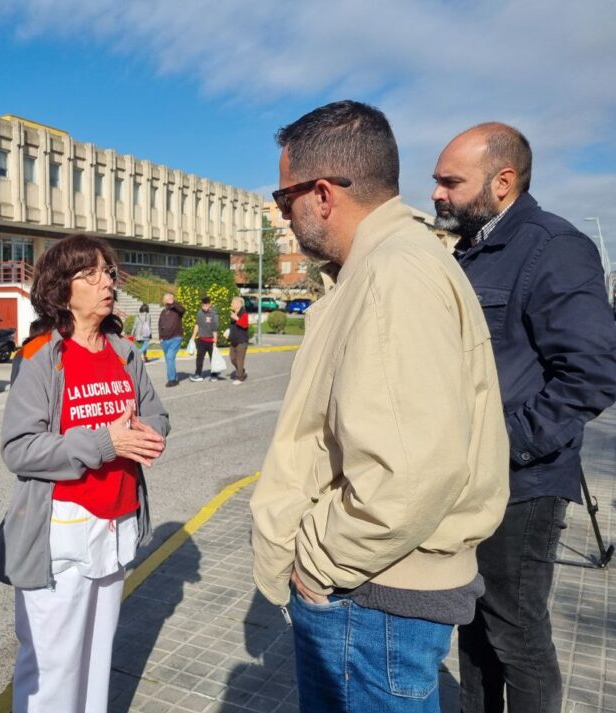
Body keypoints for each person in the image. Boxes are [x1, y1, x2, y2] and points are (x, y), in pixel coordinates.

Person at [250, 100, 509, 713]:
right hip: (374, 592)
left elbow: (410, 474)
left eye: (283, 199)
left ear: (320, 193)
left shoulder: (394, 275)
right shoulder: (385, 264)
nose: (284, 217)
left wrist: (317, 562)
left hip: (369, 597)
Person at [433, 123, 616, 713]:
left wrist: (501, 445)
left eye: (450, 182)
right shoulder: (472, 250)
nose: (436, 193)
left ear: (503, 182)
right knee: (476, 627)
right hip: (470, 483)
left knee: (518, 636)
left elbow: (591, 373)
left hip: (523, 485)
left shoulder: (553, 247)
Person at [0, 234, 169, 713]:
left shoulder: (124, 351)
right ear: (62, 288)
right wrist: (106, 442)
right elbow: (19, 449)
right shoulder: (41, 357)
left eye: (108, 272)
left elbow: (157, 414)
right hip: (63, 533)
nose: (106, 281)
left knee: (96, 657)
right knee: (52, 668)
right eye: (91, 274)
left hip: (117, 525)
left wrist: (146, 433)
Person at [158, 291, 185, 387]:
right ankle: (175, 378)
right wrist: (160, 337)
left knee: (169, 357)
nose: (168, 299)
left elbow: (182, 310)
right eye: (167, 298)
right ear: (163, 301)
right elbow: (160, 324)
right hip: (164, 340)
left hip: (175, 338)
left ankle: (172, 380)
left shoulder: (177, 309)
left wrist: (173, 303)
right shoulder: (163, 312)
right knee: (169, 360)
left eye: (170, 297)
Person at [190, 295, 219, 382]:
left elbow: (215, 328)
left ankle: (214, 375)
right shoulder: (199, 313)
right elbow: (197, 325)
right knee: (199, 358)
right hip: (202, 340)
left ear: (210, 304)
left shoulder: (214, 314)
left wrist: (215, 341)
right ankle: (198, 374)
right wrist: (193, 337)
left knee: (212, 359)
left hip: (211, 340)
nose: (204, 307)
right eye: (203, 305)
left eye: (206, 305)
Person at [227, 296, 250, 384]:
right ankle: (242, 370)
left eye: (233, 303)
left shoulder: (244, 313)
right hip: (234, 340)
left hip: (241, 341)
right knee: (233, 359)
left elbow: (245, 325)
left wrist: (237, 318)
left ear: (238, 304)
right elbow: (234, 326)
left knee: (239, 360)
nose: (231, 304)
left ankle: (239, 377)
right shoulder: (234, 313)